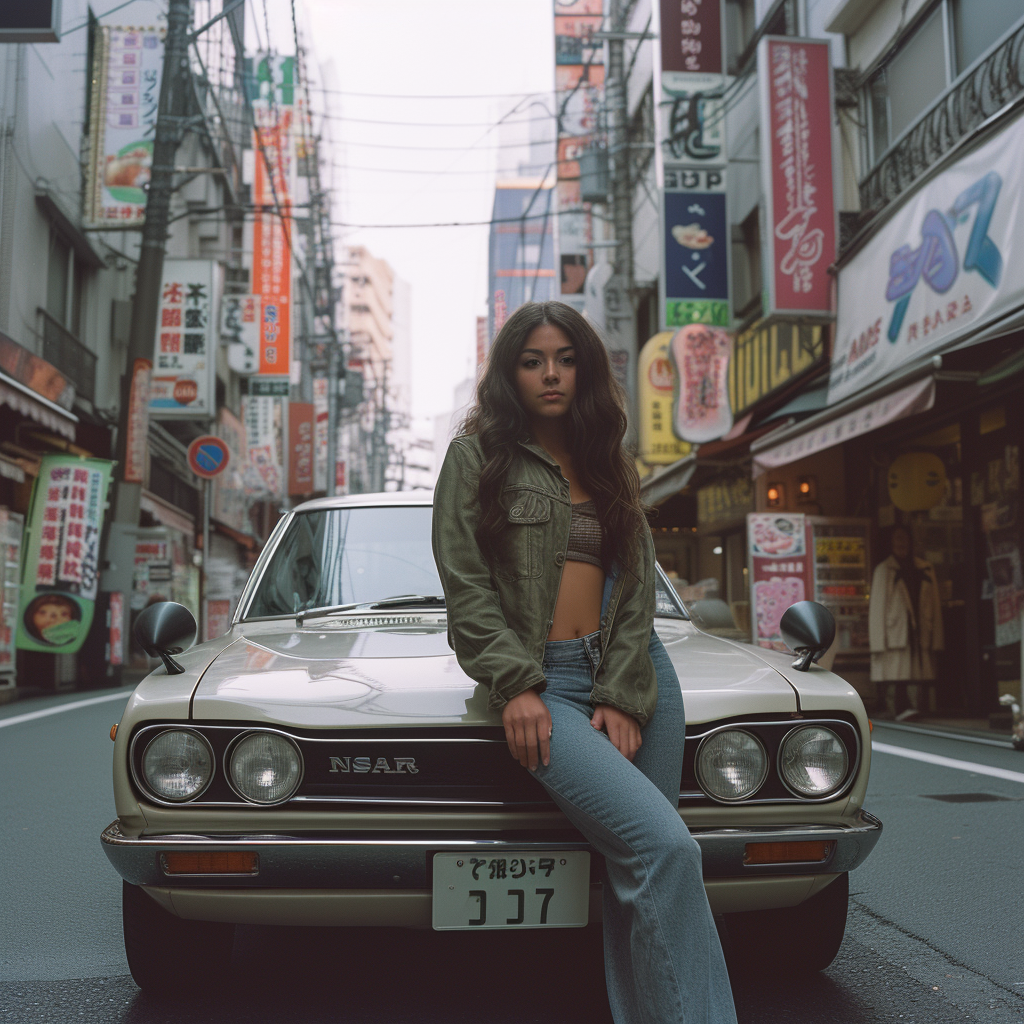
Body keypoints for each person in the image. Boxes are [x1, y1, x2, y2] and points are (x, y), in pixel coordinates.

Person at [431, 301, 737, 1024]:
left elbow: (634, 591)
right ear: (510, 372)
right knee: (666, 849)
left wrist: (626, 692)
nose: (551, 375)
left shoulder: (609, 461)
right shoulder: (475, 458)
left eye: (566, 359)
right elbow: (466, 588)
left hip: (634, 673)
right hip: (544, 685)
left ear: (587, 369)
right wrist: (516, 686)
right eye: (533, 361)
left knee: (644, 871)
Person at [868, 524, 944, 716]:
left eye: (905, 538)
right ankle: (899, 709)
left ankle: (918, 708)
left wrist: (937, 637)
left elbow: (934, 605)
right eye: (897, 538)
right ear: (890, 542)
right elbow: (877, 608)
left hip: (920, 627)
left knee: (917, 671)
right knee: (897, 672)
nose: (902, 542)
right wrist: (878, 642)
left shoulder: (925, 568)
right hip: (896, 631)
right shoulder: (884, 570)